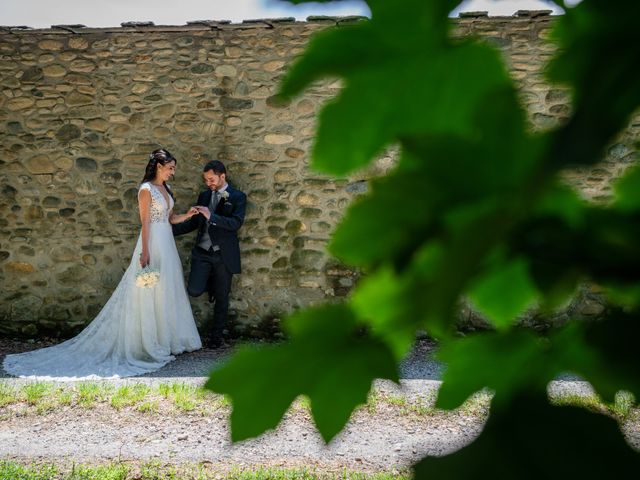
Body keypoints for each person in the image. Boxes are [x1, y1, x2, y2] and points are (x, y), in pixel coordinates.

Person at [3, 148, 202, 379]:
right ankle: (147, 341)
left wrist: (188, 214)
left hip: (167, 243)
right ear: (159, 166)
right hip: (152, 243)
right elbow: (145, 223)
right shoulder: (146, 190)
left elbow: (170, 219)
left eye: (173, 169)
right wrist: (145, 251)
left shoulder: (166, 189)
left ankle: (168, 339)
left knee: (165, 289)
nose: (173, 172)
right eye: (170, 168)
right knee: (147, 290)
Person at [173, 160, 246, 348]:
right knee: (194, 290)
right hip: (202, 253)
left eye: (211, 179)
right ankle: (211, 284)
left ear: (223, 176)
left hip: (223, 255)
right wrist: (166, 231)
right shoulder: (204, 196)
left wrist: (211, 216)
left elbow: (235, 224)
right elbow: (193, 224)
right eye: (206, 180)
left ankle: (216, 337)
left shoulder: (238, 197)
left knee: (222, 297)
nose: (208, 183)